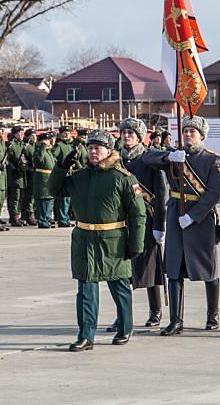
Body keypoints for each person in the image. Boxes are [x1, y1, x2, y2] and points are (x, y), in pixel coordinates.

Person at [49, 130, 146, 352]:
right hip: (84, 239)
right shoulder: (80, 177)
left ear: (109, 151)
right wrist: (61, 167)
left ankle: (125, 328)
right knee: (85, 290)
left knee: (120, 287)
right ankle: (86, 336)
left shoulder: (123, 178)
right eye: (91, 148)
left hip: (113, 240)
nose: (93, 152)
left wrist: (136, 244)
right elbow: (54, 189)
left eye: (98, 148)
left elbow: (138, 214)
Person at [143, 115, 220, 336]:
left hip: (200, 219)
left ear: (201, 136)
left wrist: (194, 215)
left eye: (192, 132)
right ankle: (176, 320)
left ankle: (212, 316)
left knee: (208, 269)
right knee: (174, 269)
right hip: (176, 216)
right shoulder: (175, 156)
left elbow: (214, 194)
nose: (188, 135)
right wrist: (169, 156)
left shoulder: (211, 160)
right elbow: (147, 158)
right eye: (185, 131)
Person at [110, 117, 167, 329]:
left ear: (140, 137)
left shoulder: (149, 160)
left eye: (131, 133)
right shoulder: (116, 161)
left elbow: (161, 195)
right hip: (122, 222)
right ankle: (123, 315)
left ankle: (156, 311)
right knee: (122, 270)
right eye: (124, 133)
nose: (126, 137)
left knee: (150, 267)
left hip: (147, 218)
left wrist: (159, 225)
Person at [51, 125, 74, 227]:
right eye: (64, 132)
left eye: (68, 133)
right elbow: (53, 157)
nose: (66, 134)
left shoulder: (69, 146)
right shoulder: (59, 146)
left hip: (69, 173)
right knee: (63, 199)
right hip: (62, 174)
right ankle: (62, 219)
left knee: (67, 198)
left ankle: (64, 217)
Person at [32, 132, 56, 229]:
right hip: (42, 179)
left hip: (49, 177)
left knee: (49, 200)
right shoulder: (38, 150)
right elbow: (38, 160)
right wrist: (42, 146)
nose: (47, 142)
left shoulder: (48, 151)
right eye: (45, 140)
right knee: (42, 200)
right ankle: (42, 220)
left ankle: (46, 219)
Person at [6, 125, 27, 227]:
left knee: (20, 197)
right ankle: (14, 217)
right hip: (14, 175)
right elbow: (8, 159)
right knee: (15, 197)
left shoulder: (22, 144)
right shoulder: (12, 145)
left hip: (22, 175)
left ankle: (17, 216)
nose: (22, 135)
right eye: (20, 133)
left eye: (23, 133)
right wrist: (14, 169)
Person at [22, 128, 38, 226]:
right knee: (29, 196)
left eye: (35, 136)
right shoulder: (26, 147)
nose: (34, 138)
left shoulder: (36, 146)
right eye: (32, 136)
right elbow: (23, 161)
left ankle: (31, 214)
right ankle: (29, 215)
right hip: (28, 175)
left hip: (36, 174)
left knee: (33, 196)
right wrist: (29, 169)